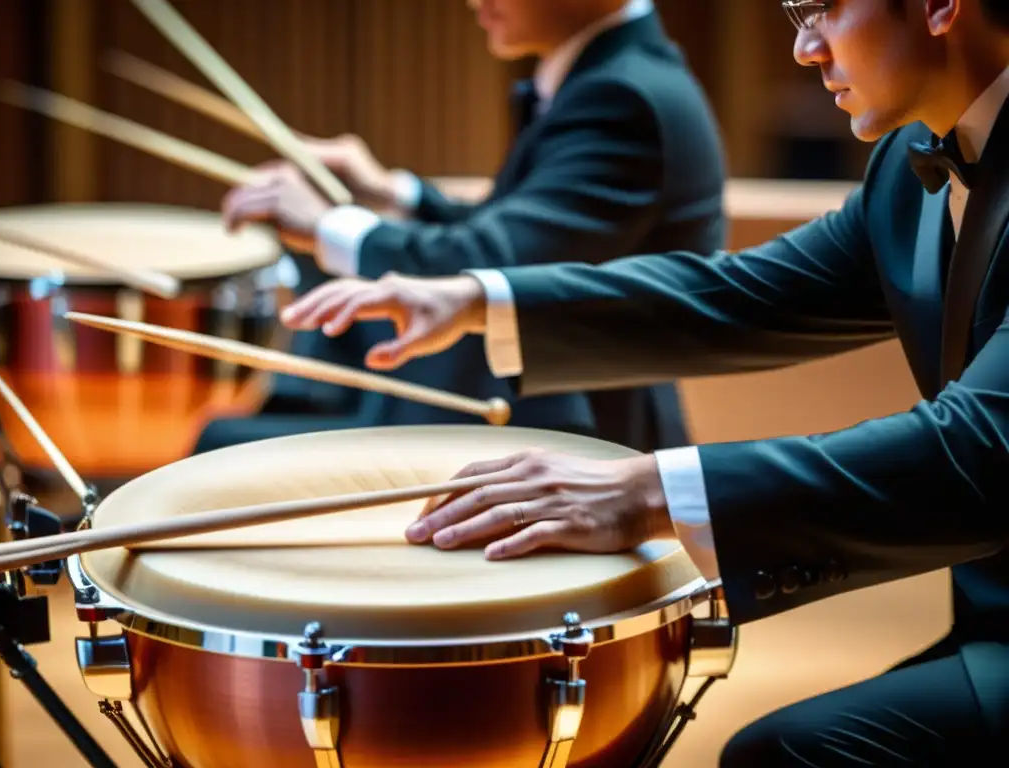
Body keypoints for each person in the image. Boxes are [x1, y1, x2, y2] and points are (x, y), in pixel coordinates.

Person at [266, 0, 1009, 763]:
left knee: (776, 756)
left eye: (822, 6)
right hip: (988, 620)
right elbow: (744, 295)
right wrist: (474, 299)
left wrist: (646, 493)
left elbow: (981, 453)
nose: (805, 48)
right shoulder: (910, 158)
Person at [195, 0, 727, 455]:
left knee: (217, 452)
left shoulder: (625, 97)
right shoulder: (617, 75)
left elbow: (494, 260)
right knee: (247, 424)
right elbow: (522, 234)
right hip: (530, 412)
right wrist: (395, 192)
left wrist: (326, 225)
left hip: (572, 439)